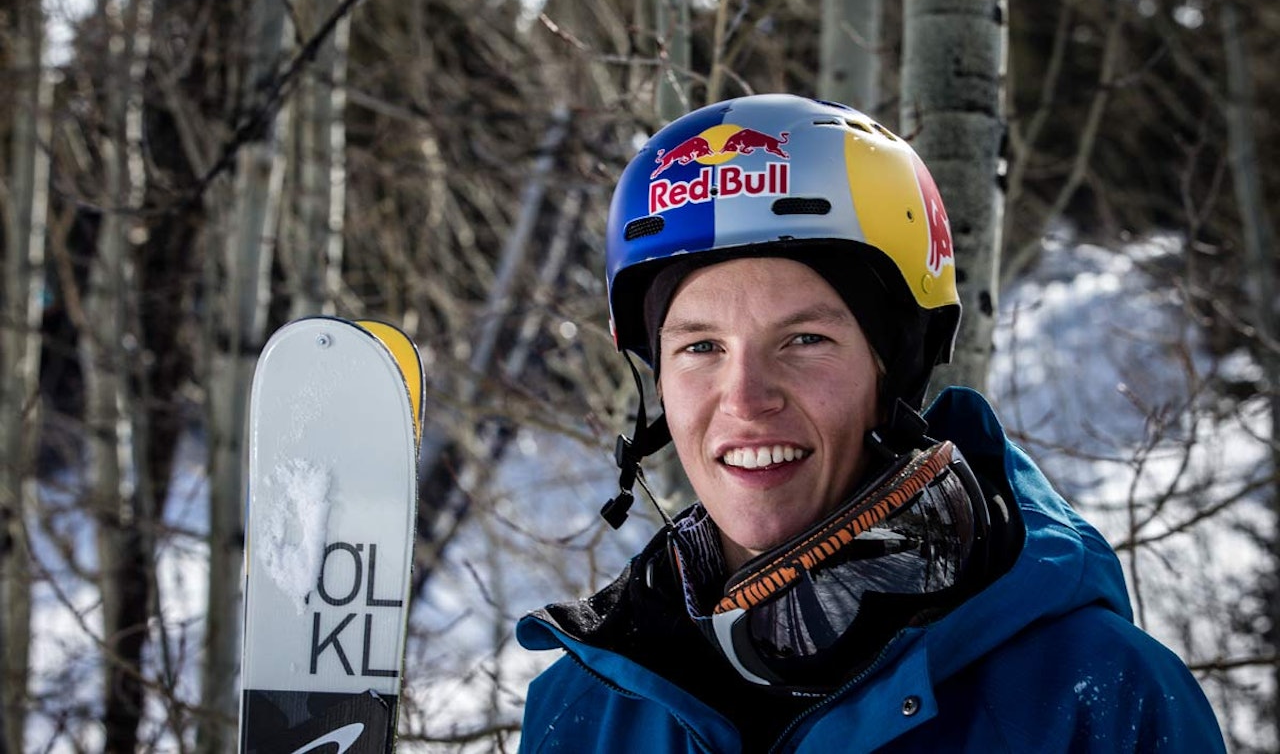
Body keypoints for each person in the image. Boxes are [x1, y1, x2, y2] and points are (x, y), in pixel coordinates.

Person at [515, 94, 1225, 752]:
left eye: (804, 340)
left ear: (894, 369)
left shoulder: (1100, 696)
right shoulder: (581, 707)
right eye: (701, 347)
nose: (746, 397)